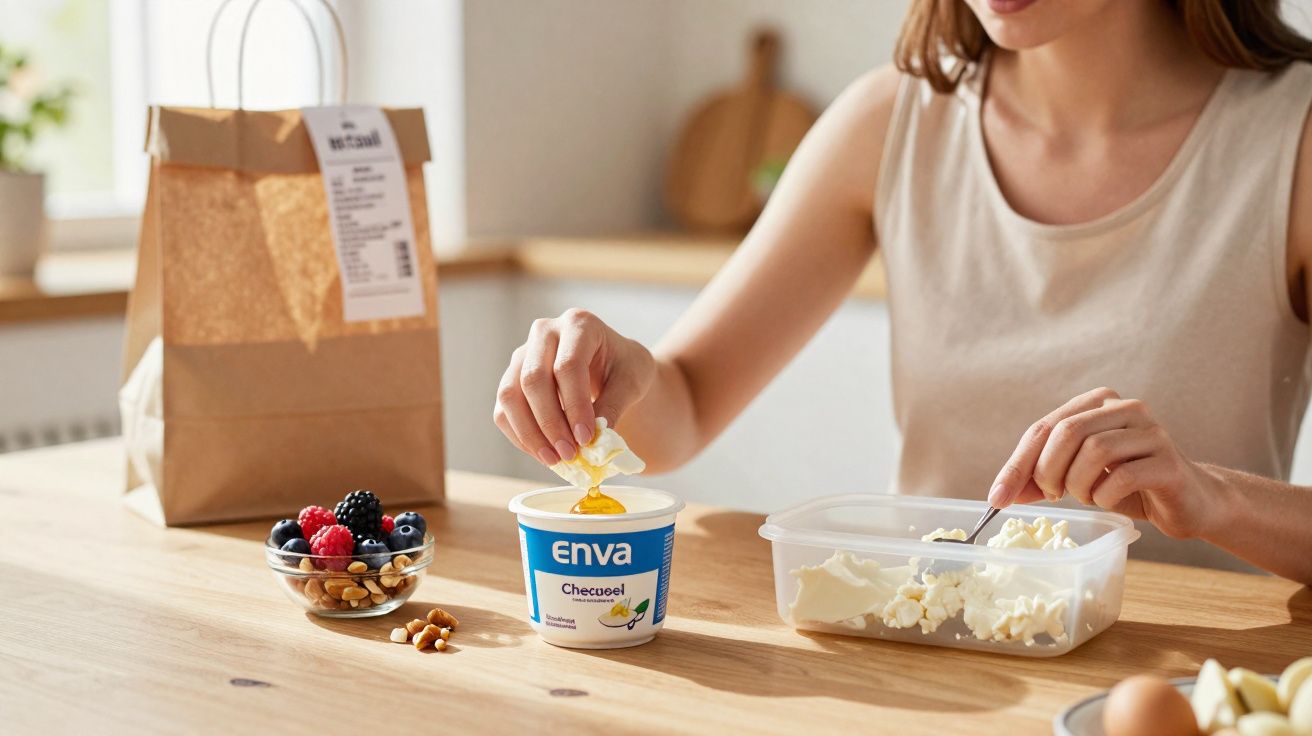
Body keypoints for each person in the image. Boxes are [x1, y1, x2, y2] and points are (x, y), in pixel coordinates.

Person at [492, 0, 1312, 584]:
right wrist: (610, 368)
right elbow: (683, 407)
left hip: (1195, 694)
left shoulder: (1291, 140)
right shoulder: (890, 120)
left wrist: (1211, 497)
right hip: (937, 670)